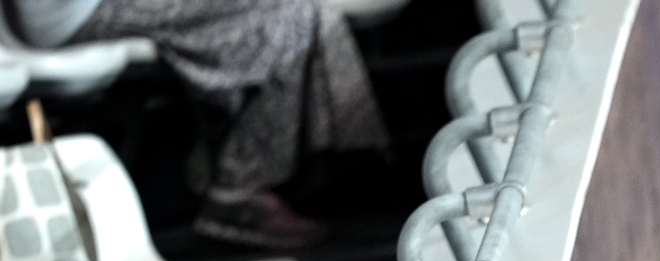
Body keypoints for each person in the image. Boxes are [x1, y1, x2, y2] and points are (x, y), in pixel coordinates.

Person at [6, 0, 388, 248]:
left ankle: (318, 159)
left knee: (312, 13)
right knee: (287, 9)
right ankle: (240, 187)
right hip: (73, 12)